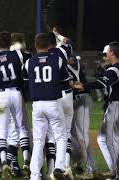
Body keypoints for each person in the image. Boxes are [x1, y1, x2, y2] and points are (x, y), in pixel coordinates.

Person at [73, 42, 119, 179]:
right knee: (103, 139)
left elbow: (102, 83)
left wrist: (84, 86)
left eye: (106, 52)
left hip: (117, 105)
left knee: (109, 140)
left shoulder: (115, 69)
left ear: (112, 53)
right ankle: (117, 172)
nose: (104, 55)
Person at [23, 33, 69, 180]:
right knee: (61, 137)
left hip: (37, 105)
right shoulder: (58, 59)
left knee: (38, 141)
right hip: (53, 103)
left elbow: (25, 82)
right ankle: (59, 168)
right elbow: (66, 82)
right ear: (49, 45)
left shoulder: (29, 62)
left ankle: (35, 175)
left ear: (36, 46)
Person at [0, 31, 30, 179]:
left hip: (1, 97)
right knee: (21, 126)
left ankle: (5, 161)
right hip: (16, 94)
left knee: (2, 130)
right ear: (10, 43)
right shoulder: (17, 55)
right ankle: (26, 160)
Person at [46, 30, 74, 180]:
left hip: (54, 97)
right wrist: (58, 34)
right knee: (66, 133)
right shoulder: (62, 51)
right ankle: (66, 167)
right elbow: (69, 42)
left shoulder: (41, 56)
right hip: (67, 95)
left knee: (51, 134)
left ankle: (51, 169)